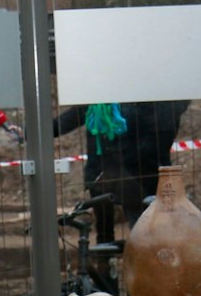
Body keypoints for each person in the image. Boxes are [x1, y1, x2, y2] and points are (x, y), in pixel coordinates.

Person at [54, 99, 190, 242]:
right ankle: (109, 252)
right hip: (103, 173)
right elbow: (66, 121)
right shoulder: (97, 103)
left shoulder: (145, 102)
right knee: (108, 231)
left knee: (145, 231)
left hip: (138, 174)